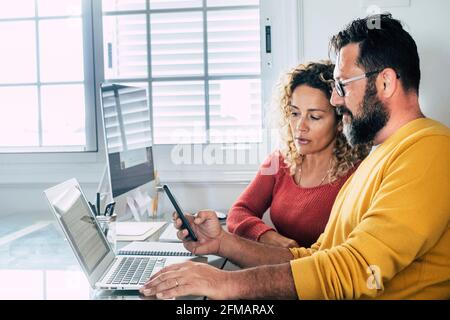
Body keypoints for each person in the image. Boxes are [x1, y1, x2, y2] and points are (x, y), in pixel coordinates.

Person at [140, 13, 450, 300]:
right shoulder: (379, 156)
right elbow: (316, 257)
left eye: (342, 84)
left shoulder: (430, 150)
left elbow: (356, 270)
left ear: (385, 82)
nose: (335, 98)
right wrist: (223, 243)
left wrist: (225, 283)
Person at [227, 61, 371, 249]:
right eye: (295, 113)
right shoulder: (279, 161)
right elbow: (239, 212)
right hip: (279, 269)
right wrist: (271, 238)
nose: (300, 126)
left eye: (314, 117)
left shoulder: (358, 175)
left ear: (340, 122)